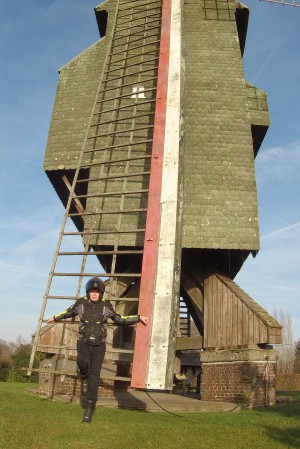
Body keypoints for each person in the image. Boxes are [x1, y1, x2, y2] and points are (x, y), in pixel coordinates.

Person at [47, 276, 148, 423]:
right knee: (82, 362)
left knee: (94, 378)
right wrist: (55, 318)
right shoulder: (81, 303)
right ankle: (84, 376)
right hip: (83, 341)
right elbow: (68, 312)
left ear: (101, 293)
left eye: (97, 292)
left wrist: (138, 318)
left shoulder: (106, 305)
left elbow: (119, 319)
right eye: (92, 291)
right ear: (88, 292)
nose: (94, 294)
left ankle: (89, 408)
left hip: (99, 345)